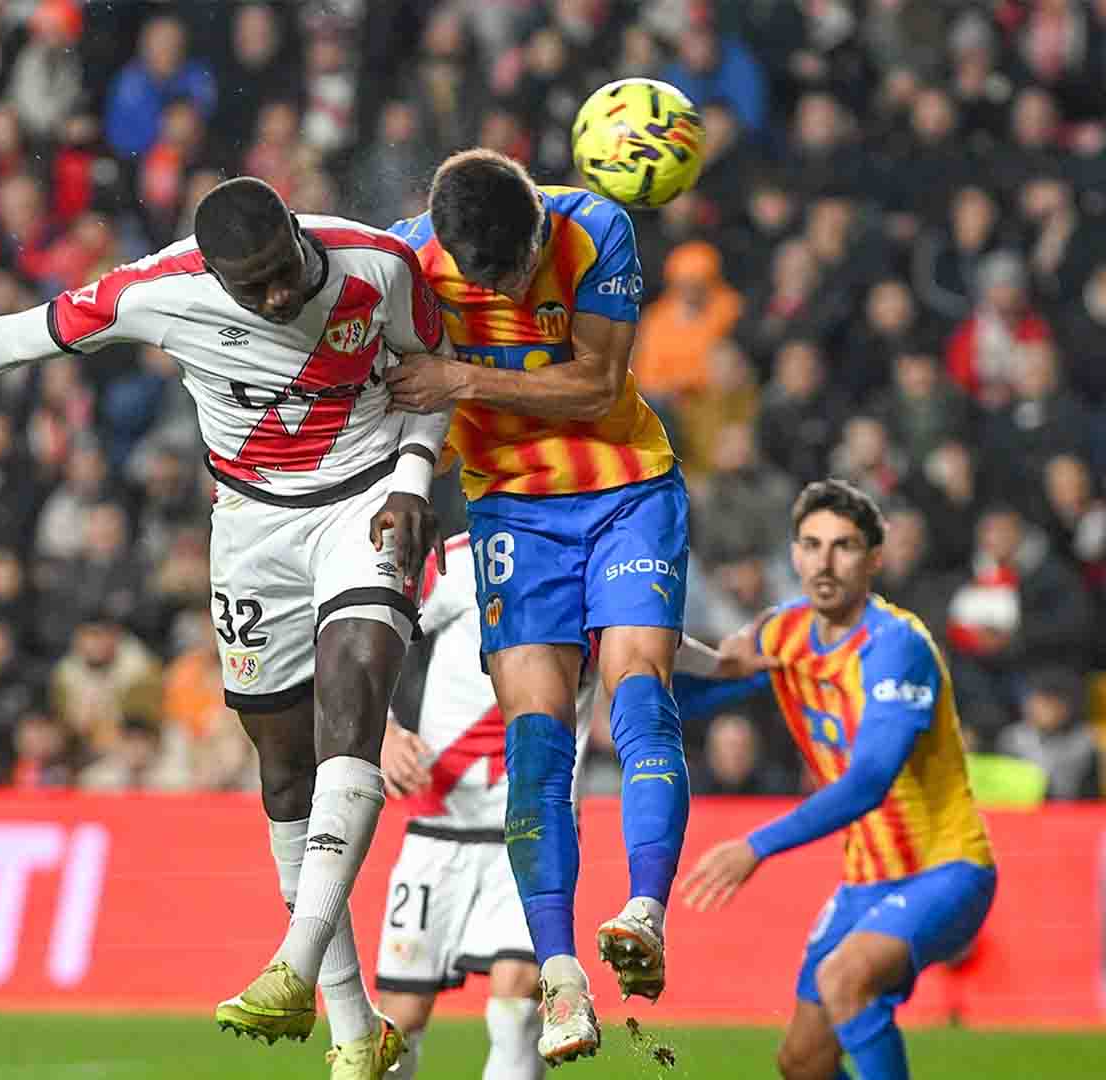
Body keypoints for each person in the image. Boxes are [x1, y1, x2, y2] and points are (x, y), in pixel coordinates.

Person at [0, 177, 450, 1080]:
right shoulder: (156, 290)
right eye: (256, 288)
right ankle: (355, 1029)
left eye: (285, 271)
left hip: (364, 503)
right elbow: (7, 339)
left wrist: (413, 478)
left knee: (353, 701)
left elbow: (433, 372)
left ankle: (295, 959)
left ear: (294, 230)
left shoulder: (375, 264)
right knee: (284, 768)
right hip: (250, 530)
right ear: (216, 276)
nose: (280, 297)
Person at [388, 148, 691, 1065]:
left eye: (521, 267)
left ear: (537, 222)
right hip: (514, 512)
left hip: (627, 490)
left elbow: (595, 387)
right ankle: (560, 977)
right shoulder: (407, 263)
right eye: (490, 279)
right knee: (538, 740)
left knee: (640, 692)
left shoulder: (596, 227)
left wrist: (463, 380)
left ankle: (645, 911)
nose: (511, 289)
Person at [373, 530, 727, 1080]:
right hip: (439, 824)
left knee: (518, 1006)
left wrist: (728, 664)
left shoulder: (607, 563)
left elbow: (651, 640)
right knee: (397, 1024)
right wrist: (385, 732)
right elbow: (373, 632)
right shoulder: (467, 558)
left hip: (537, 829)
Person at [680, 479, 998, 1080]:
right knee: (803, 1061)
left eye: (844, 546)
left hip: (946, 868)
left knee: (845, 978)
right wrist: (633, 657)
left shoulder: (896, 646)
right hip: (863, 881)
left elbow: (870, 780)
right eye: (811, 545)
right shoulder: (781, 633)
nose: (824, 563)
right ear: (794, 554)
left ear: (874, 559)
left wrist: (756, 846)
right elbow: (702, 692)